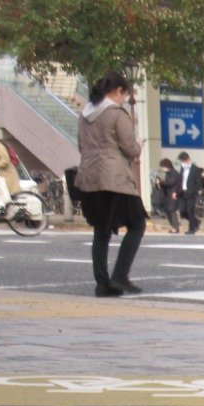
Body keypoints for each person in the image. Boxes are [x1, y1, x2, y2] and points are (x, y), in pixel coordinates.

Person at [75, 73, 145, 297]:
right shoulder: (116, 113)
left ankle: (102, 283)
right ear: (118, 91)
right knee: (137, 223)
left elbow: (80, 145)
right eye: (125, 95)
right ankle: (120, 274)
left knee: (101, 230)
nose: (125, 100)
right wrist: (139, 145)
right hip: (115, 178)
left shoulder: (85, 114)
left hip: (89, 177)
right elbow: (130, 149)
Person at [170, 151, 203, 234]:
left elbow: (198, 183)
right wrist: (175, 192)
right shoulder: (182, 168)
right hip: (182, 193)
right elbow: (179, 181)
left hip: (191, 193)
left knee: (190, 210)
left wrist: (194, 191)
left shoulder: (195, 169)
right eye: (181, 161)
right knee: (182, 211)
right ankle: (196, 221)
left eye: (184, 161)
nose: (183, 163)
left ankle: (192, 229)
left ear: (188, 159)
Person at [152, 158, 179, 231]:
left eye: (163, 167)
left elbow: (170, 183)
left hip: (173, 194)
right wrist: (159, 183)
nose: (162, 169)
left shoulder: (174, 173)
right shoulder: (168, 174)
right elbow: (166, 184)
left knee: (171, 210)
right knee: (167, 211)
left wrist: (161, 182)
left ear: (167, 166)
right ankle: (173, 226)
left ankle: (175, 227)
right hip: (167, 194)